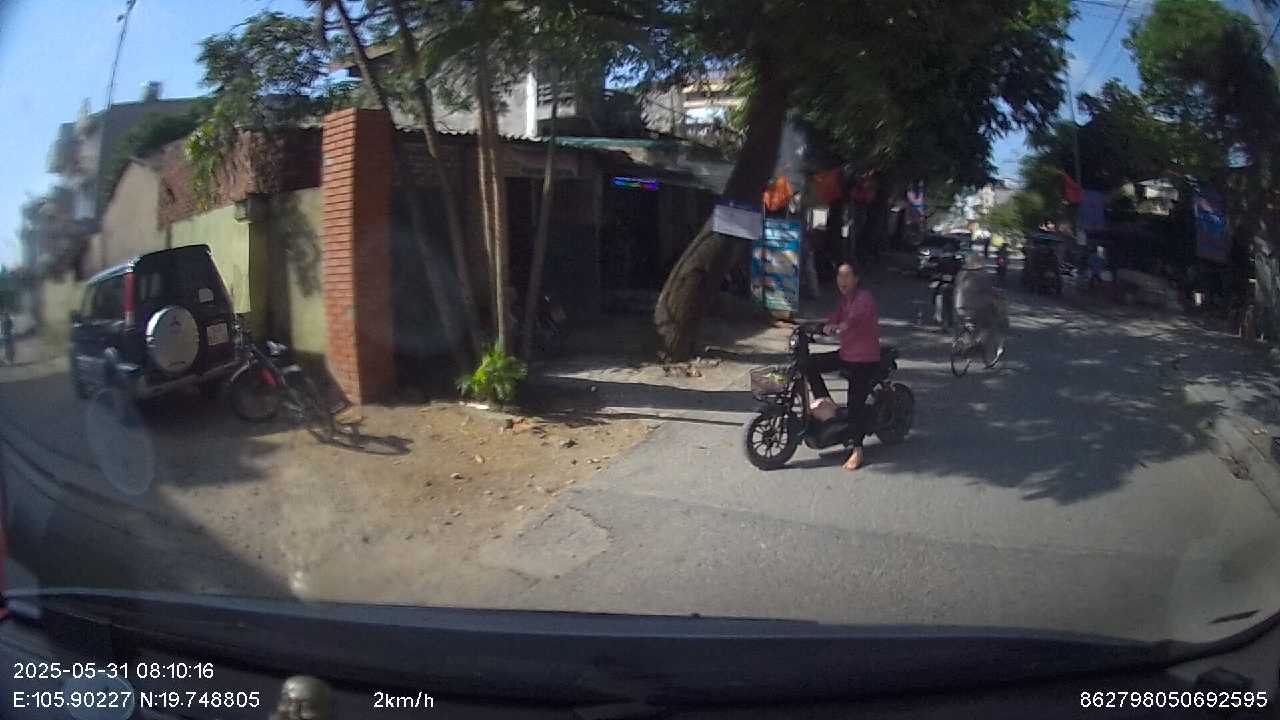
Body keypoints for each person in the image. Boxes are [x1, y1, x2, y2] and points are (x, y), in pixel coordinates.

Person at [804, 263, 881, 471]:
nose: (842, 281)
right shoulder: (845, 300)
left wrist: (840, 327)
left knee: (855, 402)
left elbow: (854, 319)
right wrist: (820, 327)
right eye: (839, 276)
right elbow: (835, 317)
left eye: (847, 276)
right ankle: (827, 405)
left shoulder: (864, 299)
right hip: (846, 354)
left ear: (856, 279)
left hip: (864, 358)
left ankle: (857, 450)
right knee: (809, 364)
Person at [954, 252, 1007, 358]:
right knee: (988, 323)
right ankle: (974, 345)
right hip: (976, 307)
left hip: (959, 305)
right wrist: (998, 296)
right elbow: (989, 290)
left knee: (967, 323)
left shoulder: (961, 274)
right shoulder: (982, 275)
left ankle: (964, 342)